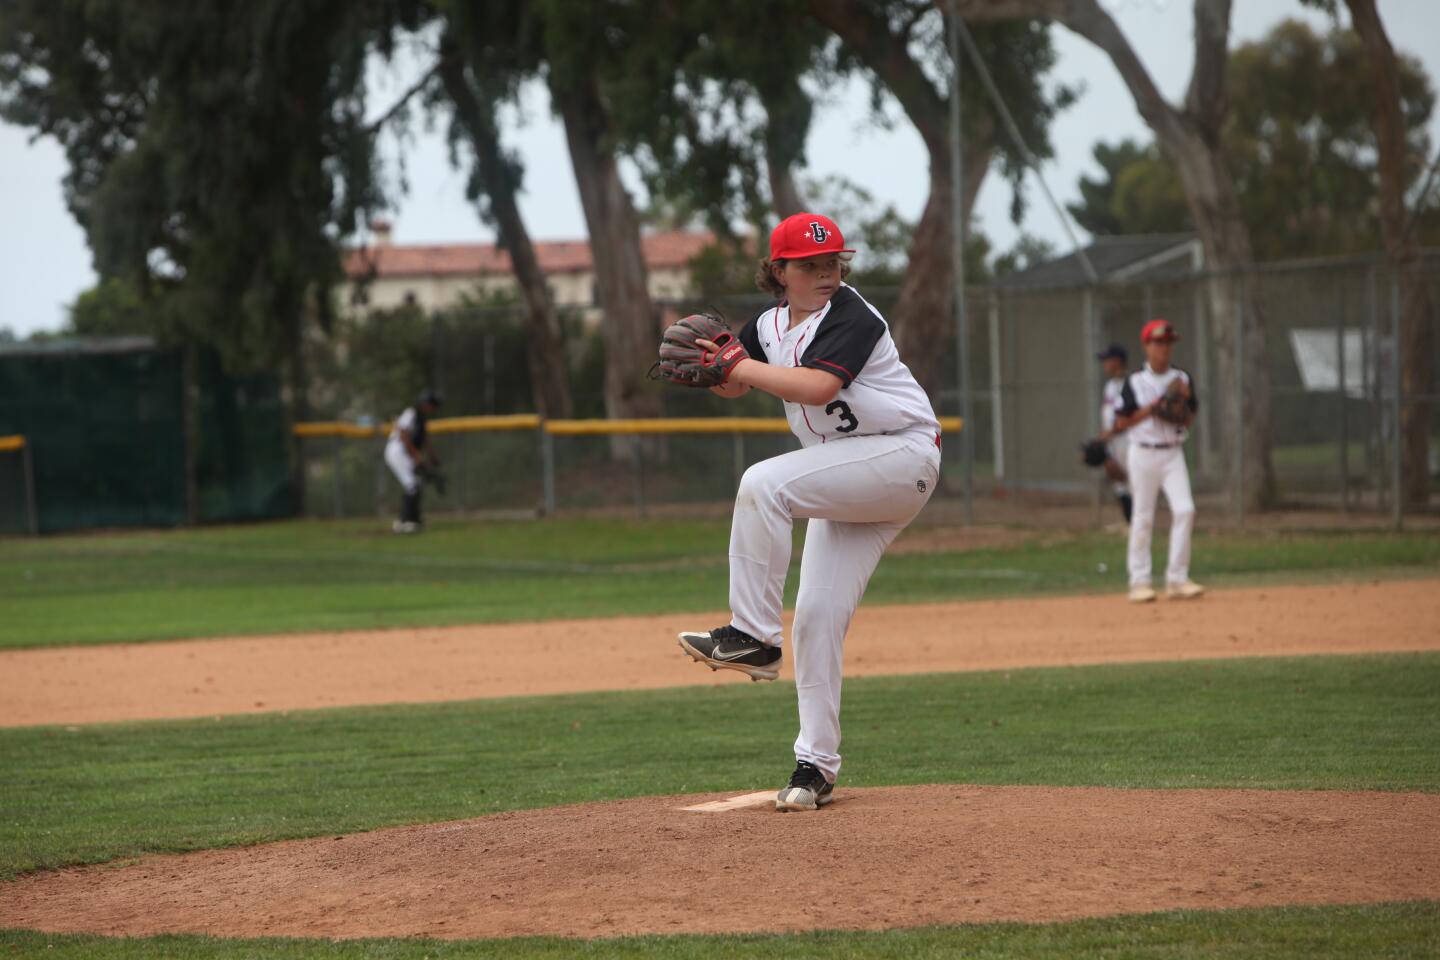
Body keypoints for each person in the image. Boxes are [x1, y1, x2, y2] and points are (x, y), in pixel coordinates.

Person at [675, 212, 941, 812]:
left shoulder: (852, 314)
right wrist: (715, 372)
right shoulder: (769, 325)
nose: (825, 272)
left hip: (903, 456)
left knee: (763, 483)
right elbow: (738, 383)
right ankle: (815, 767)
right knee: (816, 616)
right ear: (779, 271)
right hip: (847, 474)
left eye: (832, 262)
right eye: (810, 264)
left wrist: (736, 366)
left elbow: (818, 388)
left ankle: (751, 636)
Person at [1113, 320, 1203, 603]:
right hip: (1142, 453)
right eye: (1158, 343)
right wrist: (1153, 408)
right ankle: (1139, 581)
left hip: (1173, 452)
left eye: (1168, 343)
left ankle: (1177, 579)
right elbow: (1121, 422)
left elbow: (1189, 418)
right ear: (1146, 346)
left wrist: (1181, 407)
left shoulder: (1182, 379)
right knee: (1142, 516)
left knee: (1185, 510)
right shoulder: (1135, 382)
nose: (1164, 349)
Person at [385, 389, 441, 534]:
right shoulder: (411, 413)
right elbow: (403, 434)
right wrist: (417, 457)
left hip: (404, 453)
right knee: (412, 484)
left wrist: (433, 457)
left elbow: (425, 440)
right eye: (432, 405)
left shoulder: (421, 419)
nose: (433, 408)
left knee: (417, 482)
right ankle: (404, 522)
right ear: (425, 404)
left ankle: (414, 519)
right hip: (396, 450)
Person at [1096, 344, 1133, 525]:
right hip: (1113, 442)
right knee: (1119, 483)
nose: (1105, 364)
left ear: (1118, 361)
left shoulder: (1132, 384)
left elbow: (1131, 416)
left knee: (1133, 483)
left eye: (1107, 360)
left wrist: (1109, 433)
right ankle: (1129, 524)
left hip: (1129, 440)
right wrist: (1104, 436)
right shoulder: (1109, 386)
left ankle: (1137, 525)